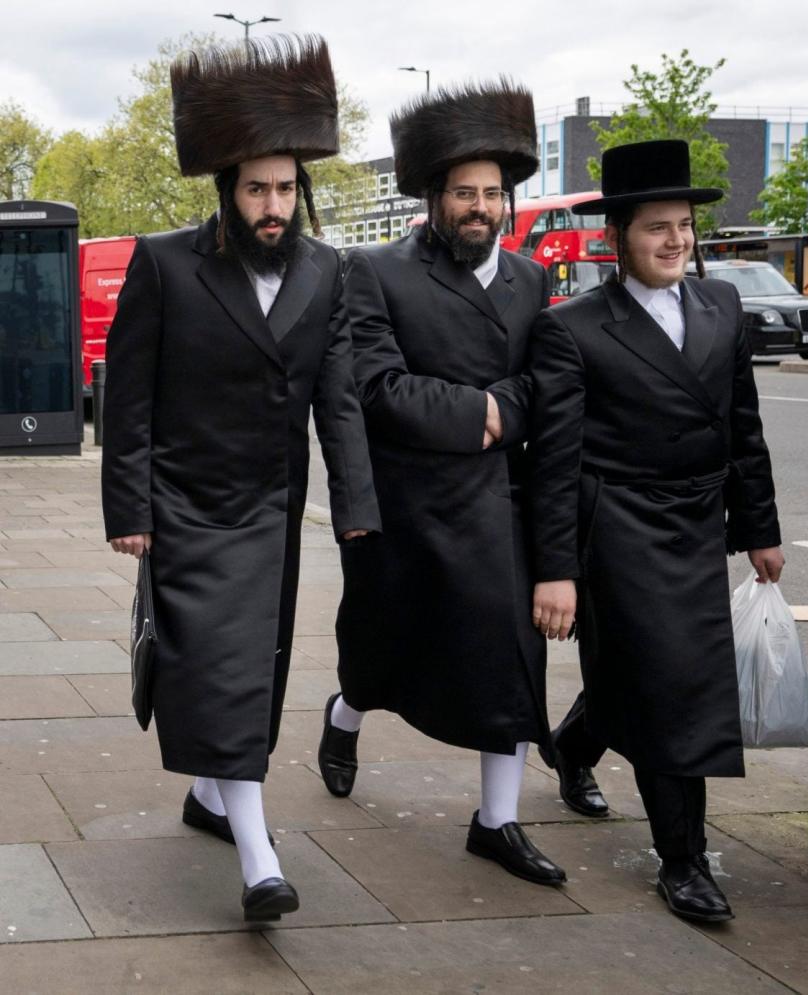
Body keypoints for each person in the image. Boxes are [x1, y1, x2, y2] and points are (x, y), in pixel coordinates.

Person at [101, 35, 380, 922]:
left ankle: (212, 799)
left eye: (287, 188)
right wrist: (130, 507)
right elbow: (130, 396)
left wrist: (357, 507)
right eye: (257, 187)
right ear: (227, 188)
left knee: (252, 672)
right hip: (186, 506)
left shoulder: (328, 271)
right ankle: (261, 859)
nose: (273, 205)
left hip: (271, 508)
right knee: (223, 675)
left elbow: (338, 400)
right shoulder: (165, 264)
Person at [529, 140, 784, 922]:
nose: (676, 241)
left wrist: (761, 529)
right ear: (617, 239)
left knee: (645, 677)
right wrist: (556, 569)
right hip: (620, 529)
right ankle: (685, 861)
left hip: (697, 523)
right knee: (675, 687)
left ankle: (572, 747)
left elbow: (744, 426)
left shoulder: (721, 307)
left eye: (684, 226)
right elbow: (555, 460)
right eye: (656, 229)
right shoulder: (574, 327)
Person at [321, 81, 566, 886]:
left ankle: (496, 820)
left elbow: (548, 382)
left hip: (499, 508)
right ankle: (344, 712)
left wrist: (505, 411)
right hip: (410, 505)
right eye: (466, 192)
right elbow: (378, 386)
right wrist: (487, 413)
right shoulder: (376, 270)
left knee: (511, 658)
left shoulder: (532, 282)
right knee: (379, 649)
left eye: (494, 194)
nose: (481, 207)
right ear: (435, 197)